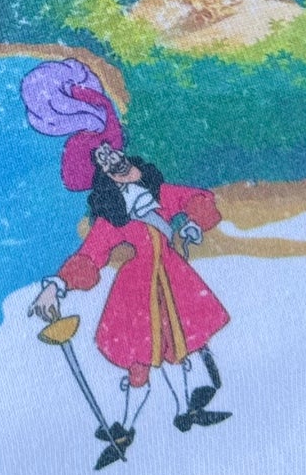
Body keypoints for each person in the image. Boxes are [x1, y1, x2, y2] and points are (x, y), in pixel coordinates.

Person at [32, 140, 232, 441]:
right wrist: (56, 286)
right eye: (106, 162)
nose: (115, 161)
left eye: (116, 154)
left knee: (176, 350)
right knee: (140, 364)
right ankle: (125, 429)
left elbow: (197, 198)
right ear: (106, 179)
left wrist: (194, 223)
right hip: (137, 293)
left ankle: (185, 412)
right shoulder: (113, 219)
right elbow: (90, 256)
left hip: (173, 281)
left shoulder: (160, 194)